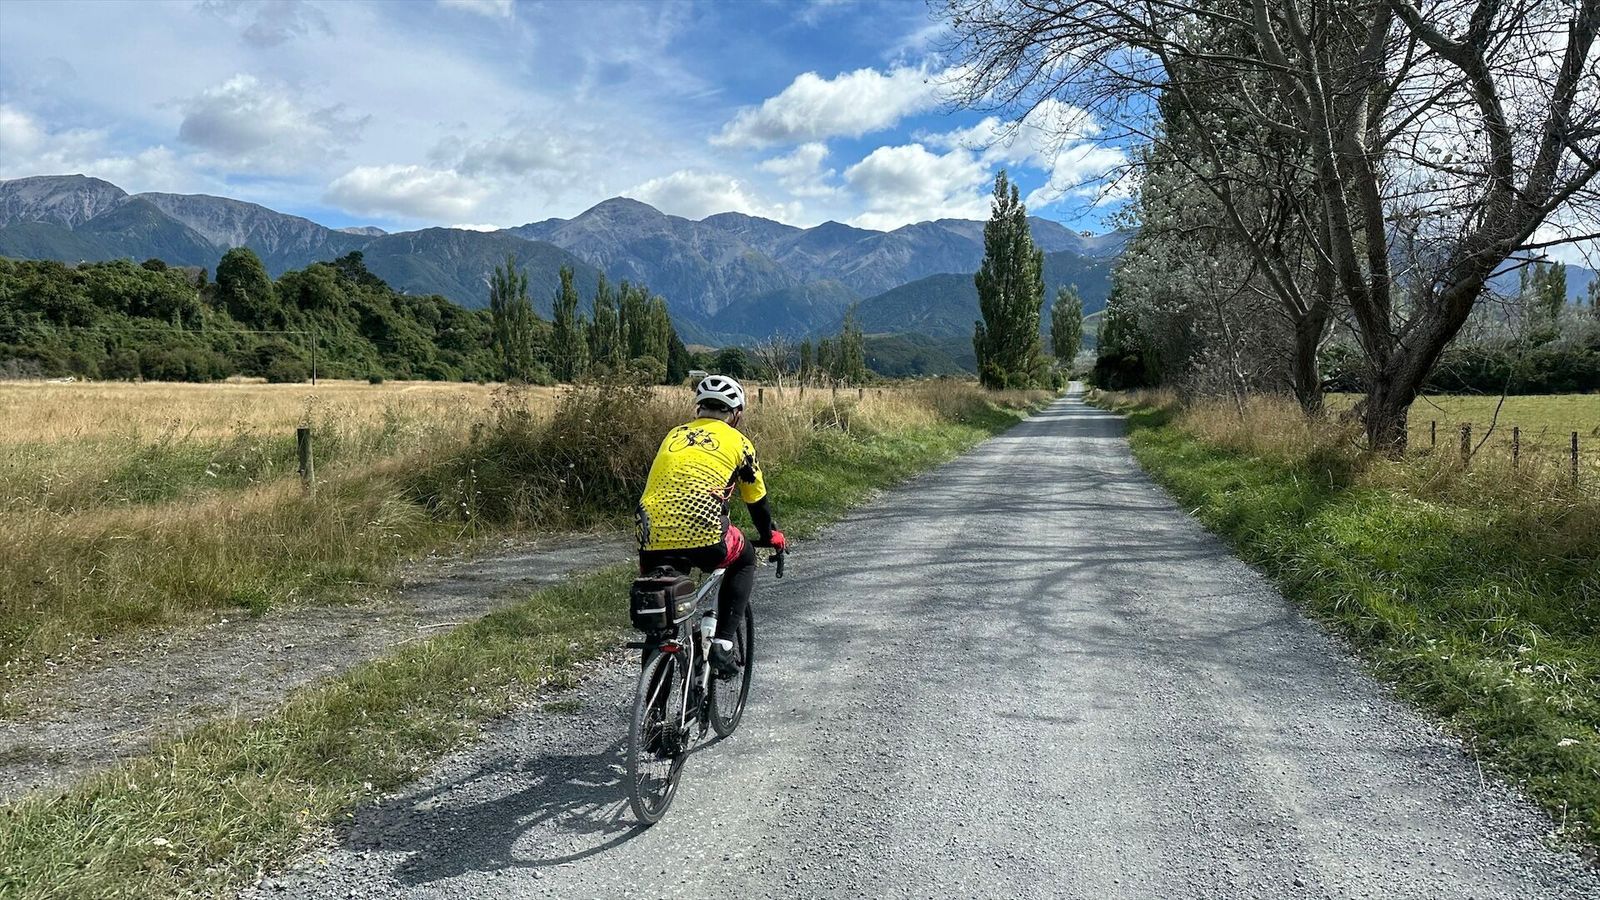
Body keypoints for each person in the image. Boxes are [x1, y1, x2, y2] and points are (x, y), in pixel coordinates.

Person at [636, 374, 785, 676]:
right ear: (736, 413)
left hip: (650, 531)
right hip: (703, 529)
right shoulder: (739, 442)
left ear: (699, 408)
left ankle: (652, 695)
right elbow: (756, 501)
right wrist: (769, 535)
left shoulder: (673, 435)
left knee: (662, 622)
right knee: (744, 558)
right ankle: (724, 643)